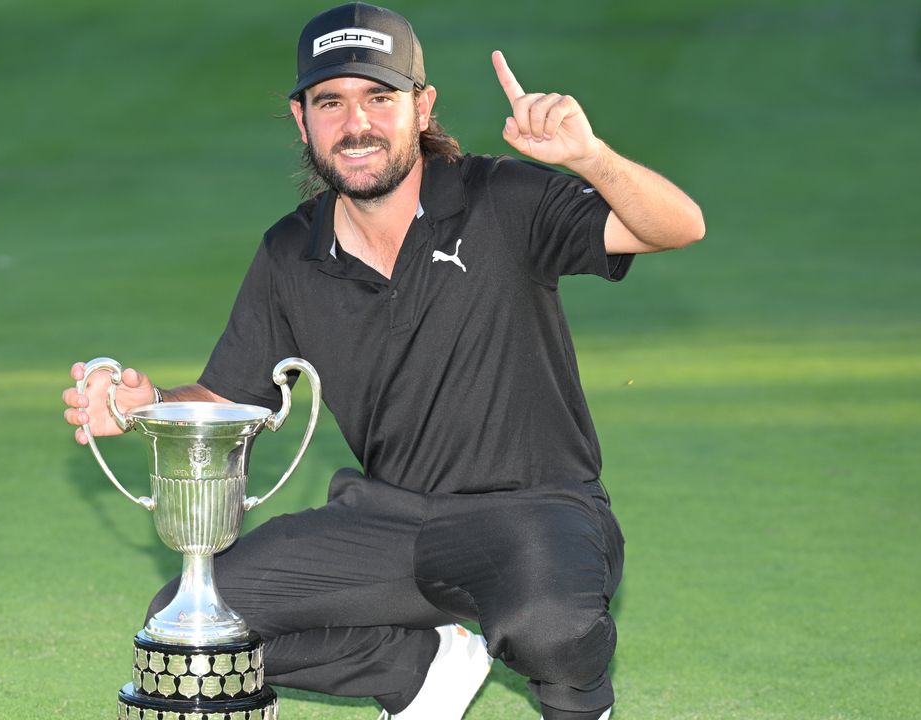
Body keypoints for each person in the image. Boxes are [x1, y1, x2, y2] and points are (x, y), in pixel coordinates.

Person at [63, 3, 704, 719]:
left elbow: (676, 225)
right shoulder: (291, 251)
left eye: (379, 97)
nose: (356, 123)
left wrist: (590, 158)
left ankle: (580, 702)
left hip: (531, 511)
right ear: (302, 118)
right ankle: (420, 671)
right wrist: (146, 406)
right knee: (200, 629)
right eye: (330, 102)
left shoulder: (500, 198)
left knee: (549, 627)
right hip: (389, 520)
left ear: (422, 108)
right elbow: (227, 395)